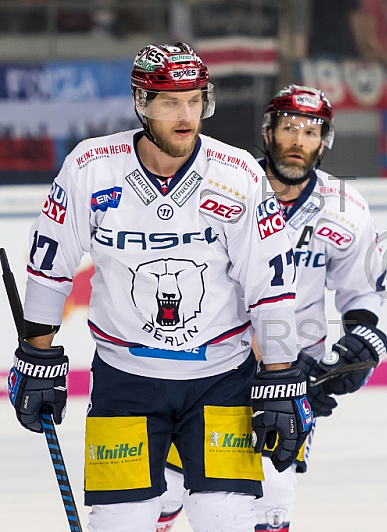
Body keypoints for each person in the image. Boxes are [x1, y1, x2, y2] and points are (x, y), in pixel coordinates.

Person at [8, 43, 313, 532]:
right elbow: (49, 269)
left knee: (226, 519)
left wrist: (280, 377)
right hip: (125, 381)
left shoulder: (238, 175)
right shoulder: (91, 167)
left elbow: (271, 286)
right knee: (119, 523)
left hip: (221, 379)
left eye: (195, 100)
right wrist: (36, 355)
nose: (186, 115)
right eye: (171, 102)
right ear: (141, 102)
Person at [157, 84, 387, 532]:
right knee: (166, 492)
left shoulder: (345, 210)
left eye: (311, 130)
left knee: (272, 503)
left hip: (292, 377)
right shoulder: (223, 189)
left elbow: (362, 291)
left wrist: (361, 338)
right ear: (268, 132)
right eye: (288, 127)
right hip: (211, 368)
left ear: (325, 142)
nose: (298, 140)